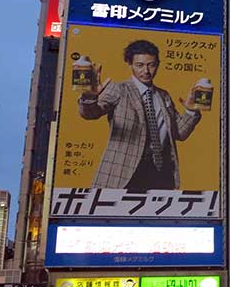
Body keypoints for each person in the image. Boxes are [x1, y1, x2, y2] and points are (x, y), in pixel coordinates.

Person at [78, 40, 203, 190]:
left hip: (161, 174)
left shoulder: (163, 96)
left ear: (158, 64)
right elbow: (91, 113)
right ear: (130, 64)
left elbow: (179, 133)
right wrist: (90, 97)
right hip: (124, 172)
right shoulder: (119, 89)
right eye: (140, 65)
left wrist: (191, 111)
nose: (146, 71)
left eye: (151, 65)